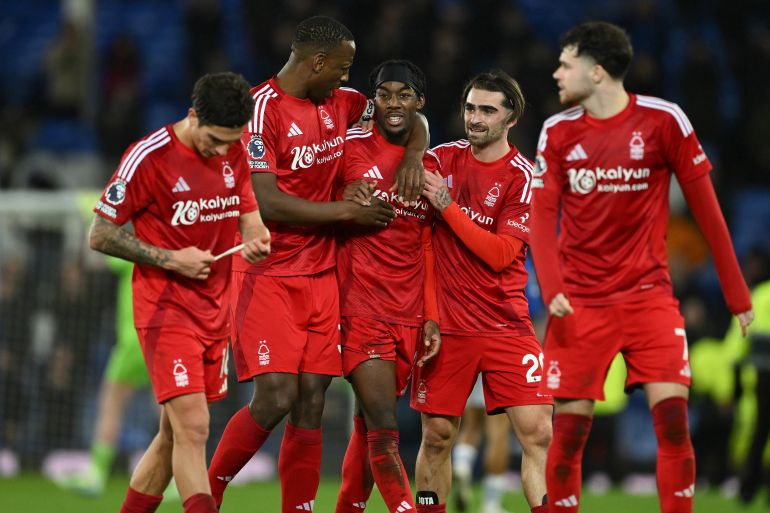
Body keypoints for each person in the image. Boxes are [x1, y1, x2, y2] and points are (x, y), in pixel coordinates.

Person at [528, 21, 754, 513]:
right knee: (564, 438)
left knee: (674, 423)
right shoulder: (558, 131)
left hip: (649, 296)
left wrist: (737, 295)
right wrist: (553, 287)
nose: (556, 72)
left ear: (598, 71)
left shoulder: (664, 121)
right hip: (580, 304)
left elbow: (709, 213)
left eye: (566, 64)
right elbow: (541, 219)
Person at [206, 16, 428, 513]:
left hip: (323, 274)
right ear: (318, 62)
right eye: (344, 68)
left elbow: (405, 115)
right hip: (269, 273)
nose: (349, 80)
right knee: (276, 397)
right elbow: (268, 202)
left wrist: (414, 153)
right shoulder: (261, 111)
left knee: (312, 401)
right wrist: (348, 211)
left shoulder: (341, 104)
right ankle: (209, 489)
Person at [89, 71, 271, 513]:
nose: (223, 150)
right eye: (214, 139)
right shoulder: (149, 158)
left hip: (216, 311)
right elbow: (100, 234)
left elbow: (248, 211)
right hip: (166, 309)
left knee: (172, 436)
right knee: (193, 428)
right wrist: (172, 259)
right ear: (192, 116)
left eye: (232, 141)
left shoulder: (236, 150)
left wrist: (257, 234)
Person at [414, 70, 553, 513]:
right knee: (436, 436)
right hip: (448, 327)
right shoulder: (439, 161)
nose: (475, 118)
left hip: (506, 325)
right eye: (471, 108)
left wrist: (447, 207)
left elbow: (500, 253)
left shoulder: (523, 177)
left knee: (537, 431)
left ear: (511, 117)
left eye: (487, 110)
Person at [333, 60, 440, 513]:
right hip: (360, 308)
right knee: (383, 426)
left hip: (410, 314)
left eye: (403, 95)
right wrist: (338, 201)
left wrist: (432, 314)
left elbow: (429, 247)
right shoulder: (349, 145)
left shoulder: (432, 164)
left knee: (365, 426)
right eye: (384, 94)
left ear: (419, 101)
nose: (393, 104)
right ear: (372, 99)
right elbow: (307, 187)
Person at [54, 254, 166, 497]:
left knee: (111, 402)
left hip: (134, 340)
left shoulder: (133, 253)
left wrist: (92, 219)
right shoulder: (166, 252)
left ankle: (97, 471)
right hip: (163, 336)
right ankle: (176, 478)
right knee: (167, 406)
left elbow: (101, 247)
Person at [452, 378, 516, 513]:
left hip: (473, 366)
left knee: (471, 426)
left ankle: (462, 465)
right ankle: (491, 505)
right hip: (499, 365)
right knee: (499, 434)